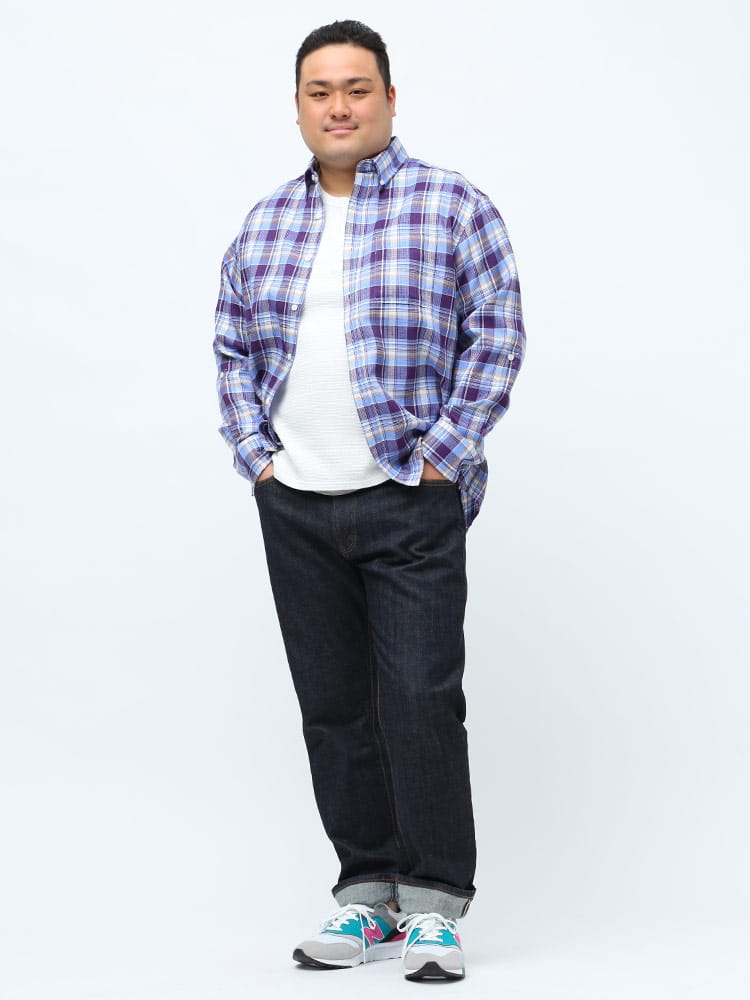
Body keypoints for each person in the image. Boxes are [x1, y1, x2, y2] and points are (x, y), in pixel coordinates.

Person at [213, 18, 525, 983]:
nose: (339, 107)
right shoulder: (265, 222)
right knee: (334, 707)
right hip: (297, 505)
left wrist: (442, 456)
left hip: (407, 497)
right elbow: (231, 348)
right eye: (320, 91)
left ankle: (434, 906)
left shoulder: (452, 205)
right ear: (298, 106)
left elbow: (497, 333)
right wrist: (258, 460)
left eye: (357, 88)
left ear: (390, 98)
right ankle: (368, 894)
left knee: (420, 701)